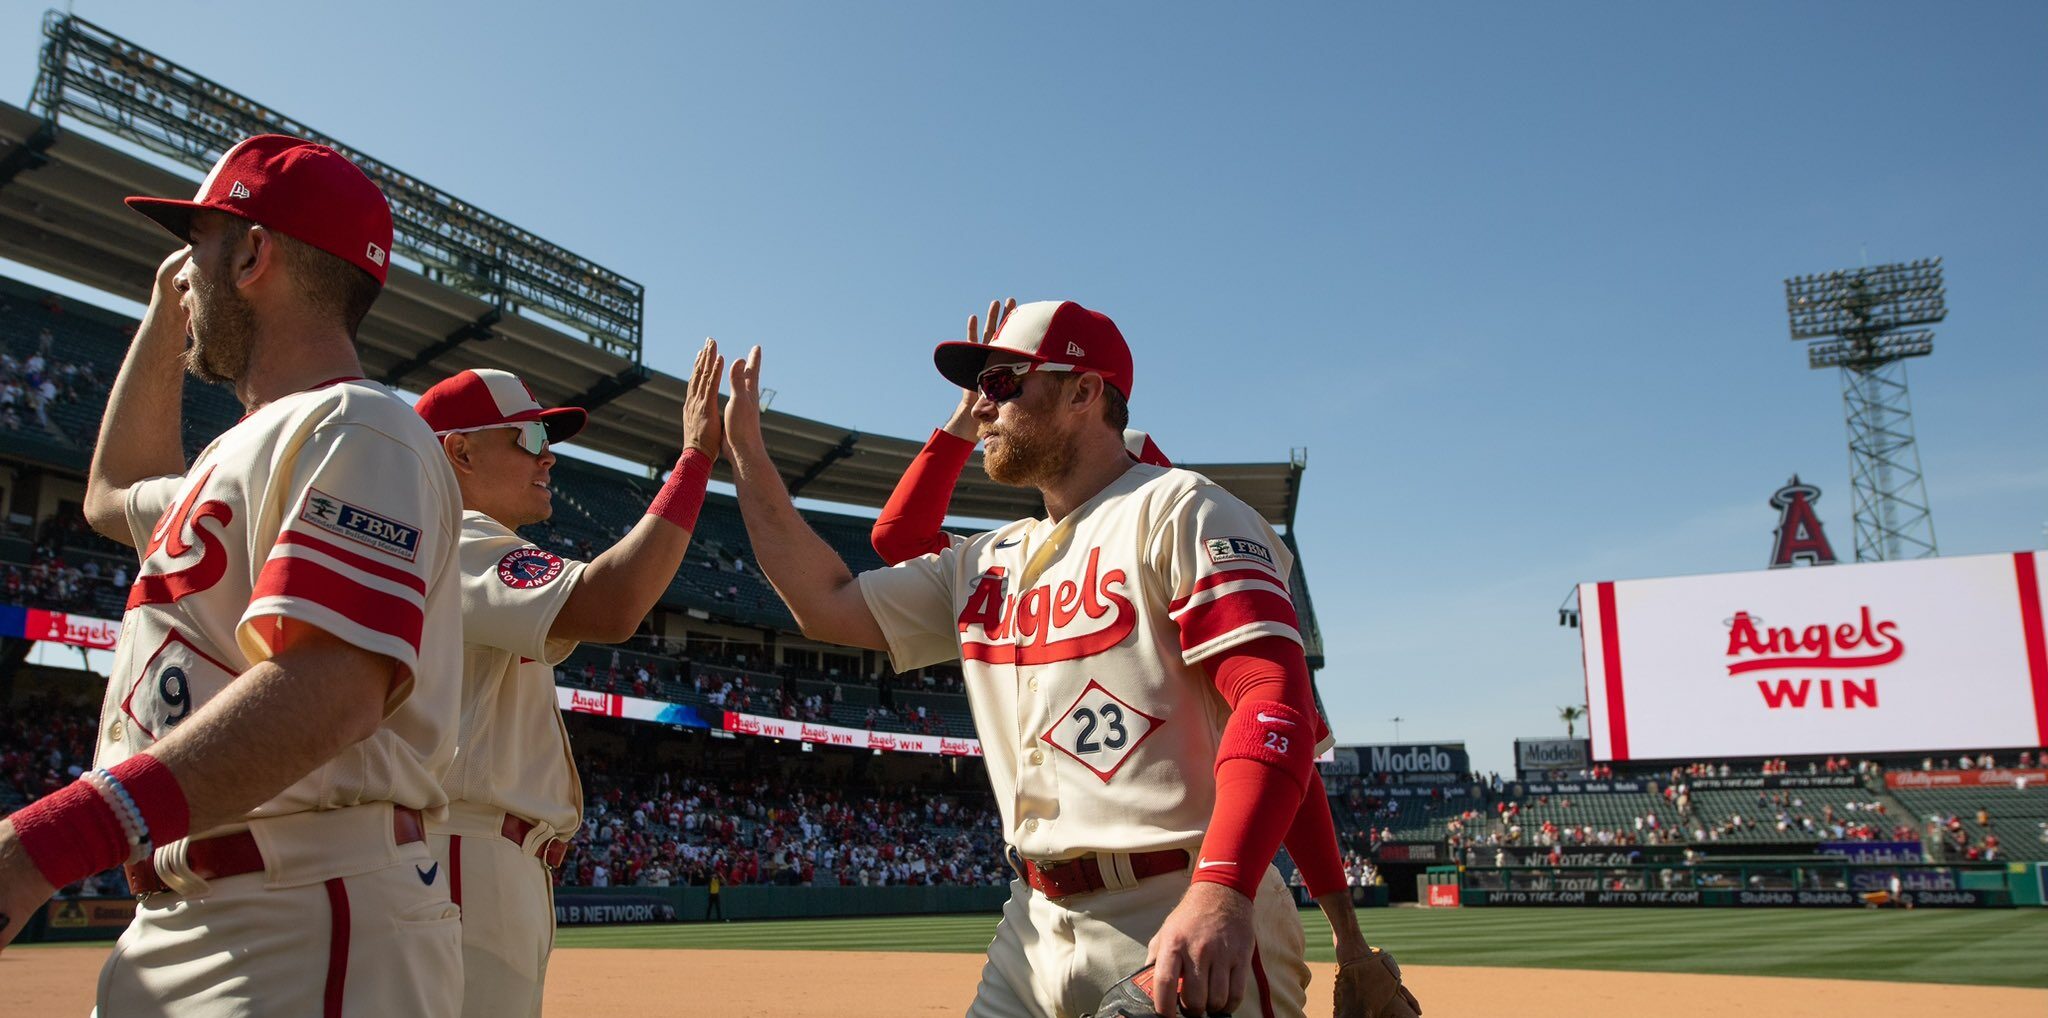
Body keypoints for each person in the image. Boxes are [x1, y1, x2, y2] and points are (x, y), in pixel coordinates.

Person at [720, 300, 1418, 1018]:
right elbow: (828, 602)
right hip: (1032, 921)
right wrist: (745, 455)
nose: (982, 407)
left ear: (1085, 392)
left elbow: (1273, 700)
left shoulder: (1181, 509)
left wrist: (1228, 890)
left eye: (1003, 384)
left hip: (1179, 906)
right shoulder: (987, 560)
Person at [0, 135, 465, 1016]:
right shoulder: (240, 448)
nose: (182, 270)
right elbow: (111, 495)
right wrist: (163, 317)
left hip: (303, 908)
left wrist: (44, 847)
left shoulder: (359, 426)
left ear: (254, 253)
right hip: (188, 902)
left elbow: (330, 688)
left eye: (200, 247)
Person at [411, 346, 724, 1018]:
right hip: (463, 851)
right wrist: (695, 461)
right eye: (527, 438)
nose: (546, 456)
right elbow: (614, 603)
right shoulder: (453, 534)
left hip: (477, 853)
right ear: (459, 453)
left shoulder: (459, 541)